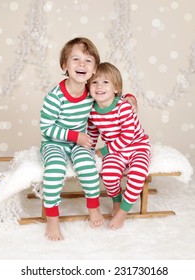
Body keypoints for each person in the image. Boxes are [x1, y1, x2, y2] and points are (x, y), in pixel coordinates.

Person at [40, 38, 137, 241]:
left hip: (79, 144)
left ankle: (93, 207)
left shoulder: (91, 91)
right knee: (54, 171)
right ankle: (52, 219)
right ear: (65, 65)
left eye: (88, 60)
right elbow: (46, 127)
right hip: (54, 143)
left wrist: (130, 98)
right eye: (75, 59)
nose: (82, 64)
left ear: (94, 69)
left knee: (88, 166)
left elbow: (111, 94)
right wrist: (74, 135)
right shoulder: (55, 97)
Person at [87, 62, 151, 230]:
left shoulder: (123, 106)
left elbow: (128, 136)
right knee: (108, 174)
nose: (99, 86)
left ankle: (123, 210)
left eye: (105, 82)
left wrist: (105, 150)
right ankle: (116, 199)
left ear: (116, 88)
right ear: (88, 87)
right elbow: (93, 132)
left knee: (137, 174)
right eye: (94, 82)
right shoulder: (92, 111)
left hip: (137, 146)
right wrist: (90, 150)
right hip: (117, 151)